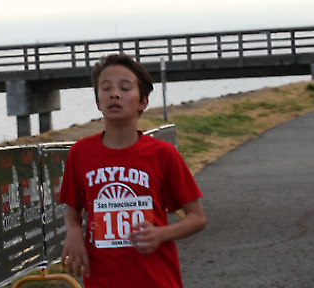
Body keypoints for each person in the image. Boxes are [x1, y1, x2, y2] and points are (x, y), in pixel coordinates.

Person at [58, 53, 206, 288]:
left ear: (143, 101)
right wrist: (74, 230)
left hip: (156, 279)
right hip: (102, 280)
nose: (115, 94)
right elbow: (72, 209)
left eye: (125, 88)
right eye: (106, 88)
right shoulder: (80, 153)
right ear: (98, 102)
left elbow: (197, 218)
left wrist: (160, 234)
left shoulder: (163, 154)